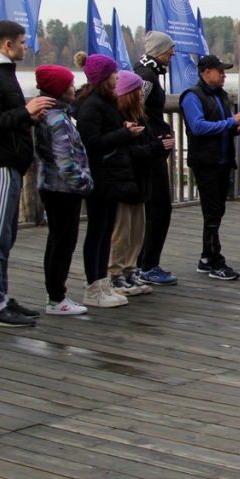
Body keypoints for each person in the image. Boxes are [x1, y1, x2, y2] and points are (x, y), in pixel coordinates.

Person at [0, 21, 55, 326]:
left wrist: (28, 117)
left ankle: (2, 297)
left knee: (5, 235)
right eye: (21, 42)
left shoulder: (4, 75)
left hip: (10, 163)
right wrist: (24, 111)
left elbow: (4, 118)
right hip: (0, 164)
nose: (25, 47)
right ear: (7, 45)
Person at [180, 54, 240, 280]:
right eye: (220, 71)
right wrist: (231, 122)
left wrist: (235, 128)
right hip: (205, 162)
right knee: (212, 212)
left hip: (222, 161)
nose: (223, 75)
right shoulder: (192, 96)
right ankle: (215, 261)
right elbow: (198, 127)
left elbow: (222, 126)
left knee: (217, 211)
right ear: (206, 72)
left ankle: (206, 258)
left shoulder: (221, 95)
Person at [74, 54, 137, 308]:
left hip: (111, 174)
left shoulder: (106, 101)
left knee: (106, 229)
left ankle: (102, 282)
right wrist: (124, 134)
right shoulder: (91, 105)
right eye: (113, 73)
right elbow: (92, 142)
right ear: (103, 77)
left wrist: (123, 129)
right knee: (97, 230)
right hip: (99, 175)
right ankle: (93, 285)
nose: (117, 77)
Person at [33, 65, 92, 316]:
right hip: (62, 188)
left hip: (51, 186)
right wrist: (84, 183)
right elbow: (64, 161)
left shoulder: (49, 113)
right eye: (69, 85)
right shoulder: (57, 119)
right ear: (59, 90)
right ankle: (57, 298)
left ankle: (55, 295)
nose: (73, 88)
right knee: (63, 243)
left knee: (57, 240)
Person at [108, 71, 171, 296]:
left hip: (141, 181)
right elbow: (127, 151)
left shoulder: (141, 115)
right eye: (137, 91)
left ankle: (130, 270)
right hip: (126, 181)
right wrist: (156, 147)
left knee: (137, 230)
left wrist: (159, 143)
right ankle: (114, 274)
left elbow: (145, 143)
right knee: (122, 231)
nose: (142, 94)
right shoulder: (118, 117)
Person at [133, 30, 178, 286]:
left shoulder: (146, 72)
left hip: (151, 148)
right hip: (150, 151)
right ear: (159, 51)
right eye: (170, 49)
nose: (173, 53)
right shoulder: (147, 76)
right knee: (159, 209)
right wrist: (154, 138)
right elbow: (133, 107)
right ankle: (147, 265)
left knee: (154, 209)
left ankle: (143, 263)